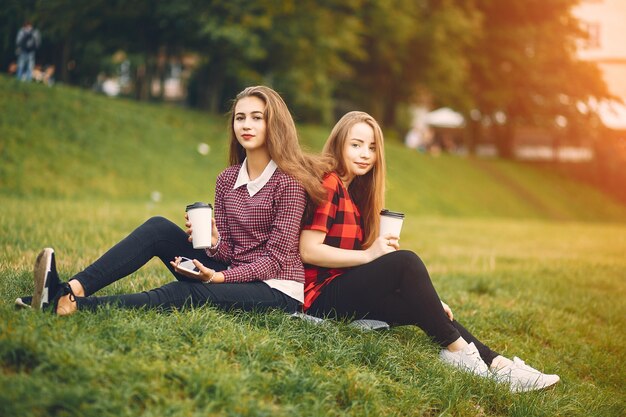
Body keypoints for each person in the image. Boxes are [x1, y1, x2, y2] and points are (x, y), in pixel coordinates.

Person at [298, 111, 560, 393]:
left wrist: (430, 301)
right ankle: (460, 355)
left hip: (341, 291)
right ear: (339, 144)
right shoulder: (330, 183)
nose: (365, 154)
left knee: (425, 309)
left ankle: (501, 366)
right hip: (319, 299)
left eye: (372, 147)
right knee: (406, 261)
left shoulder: (353, 191)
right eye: (356, 145)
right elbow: (309, 250)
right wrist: (369, 255)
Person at [16, 86, 326, 316]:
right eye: (240, 117)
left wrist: (217, 277)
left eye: (257, 118)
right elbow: (233, 250)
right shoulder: (227, 179)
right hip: (234, 272)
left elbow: (273, 260)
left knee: (185, 291)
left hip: (276, 290)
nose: (246, 125)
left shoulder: (288, 184)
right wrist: (215, 245)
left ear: (273, 124)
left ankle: (73, 306)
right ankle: (70, 289)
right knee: (158, 229)